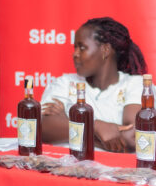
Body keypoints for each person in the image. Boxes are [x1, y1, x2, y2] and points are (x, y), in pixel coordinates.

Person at [41, 17, 147, 153]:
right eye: (75, 48)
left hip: (110, 166)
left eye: (82, 47)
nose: (75, 54)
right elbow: (44, 129)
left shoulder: (135, 84)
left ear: (105, 50)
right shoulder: (64, 83)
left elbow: (133, 138)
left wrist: (68, 124)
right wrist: (95, 127)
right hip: (64, 164)